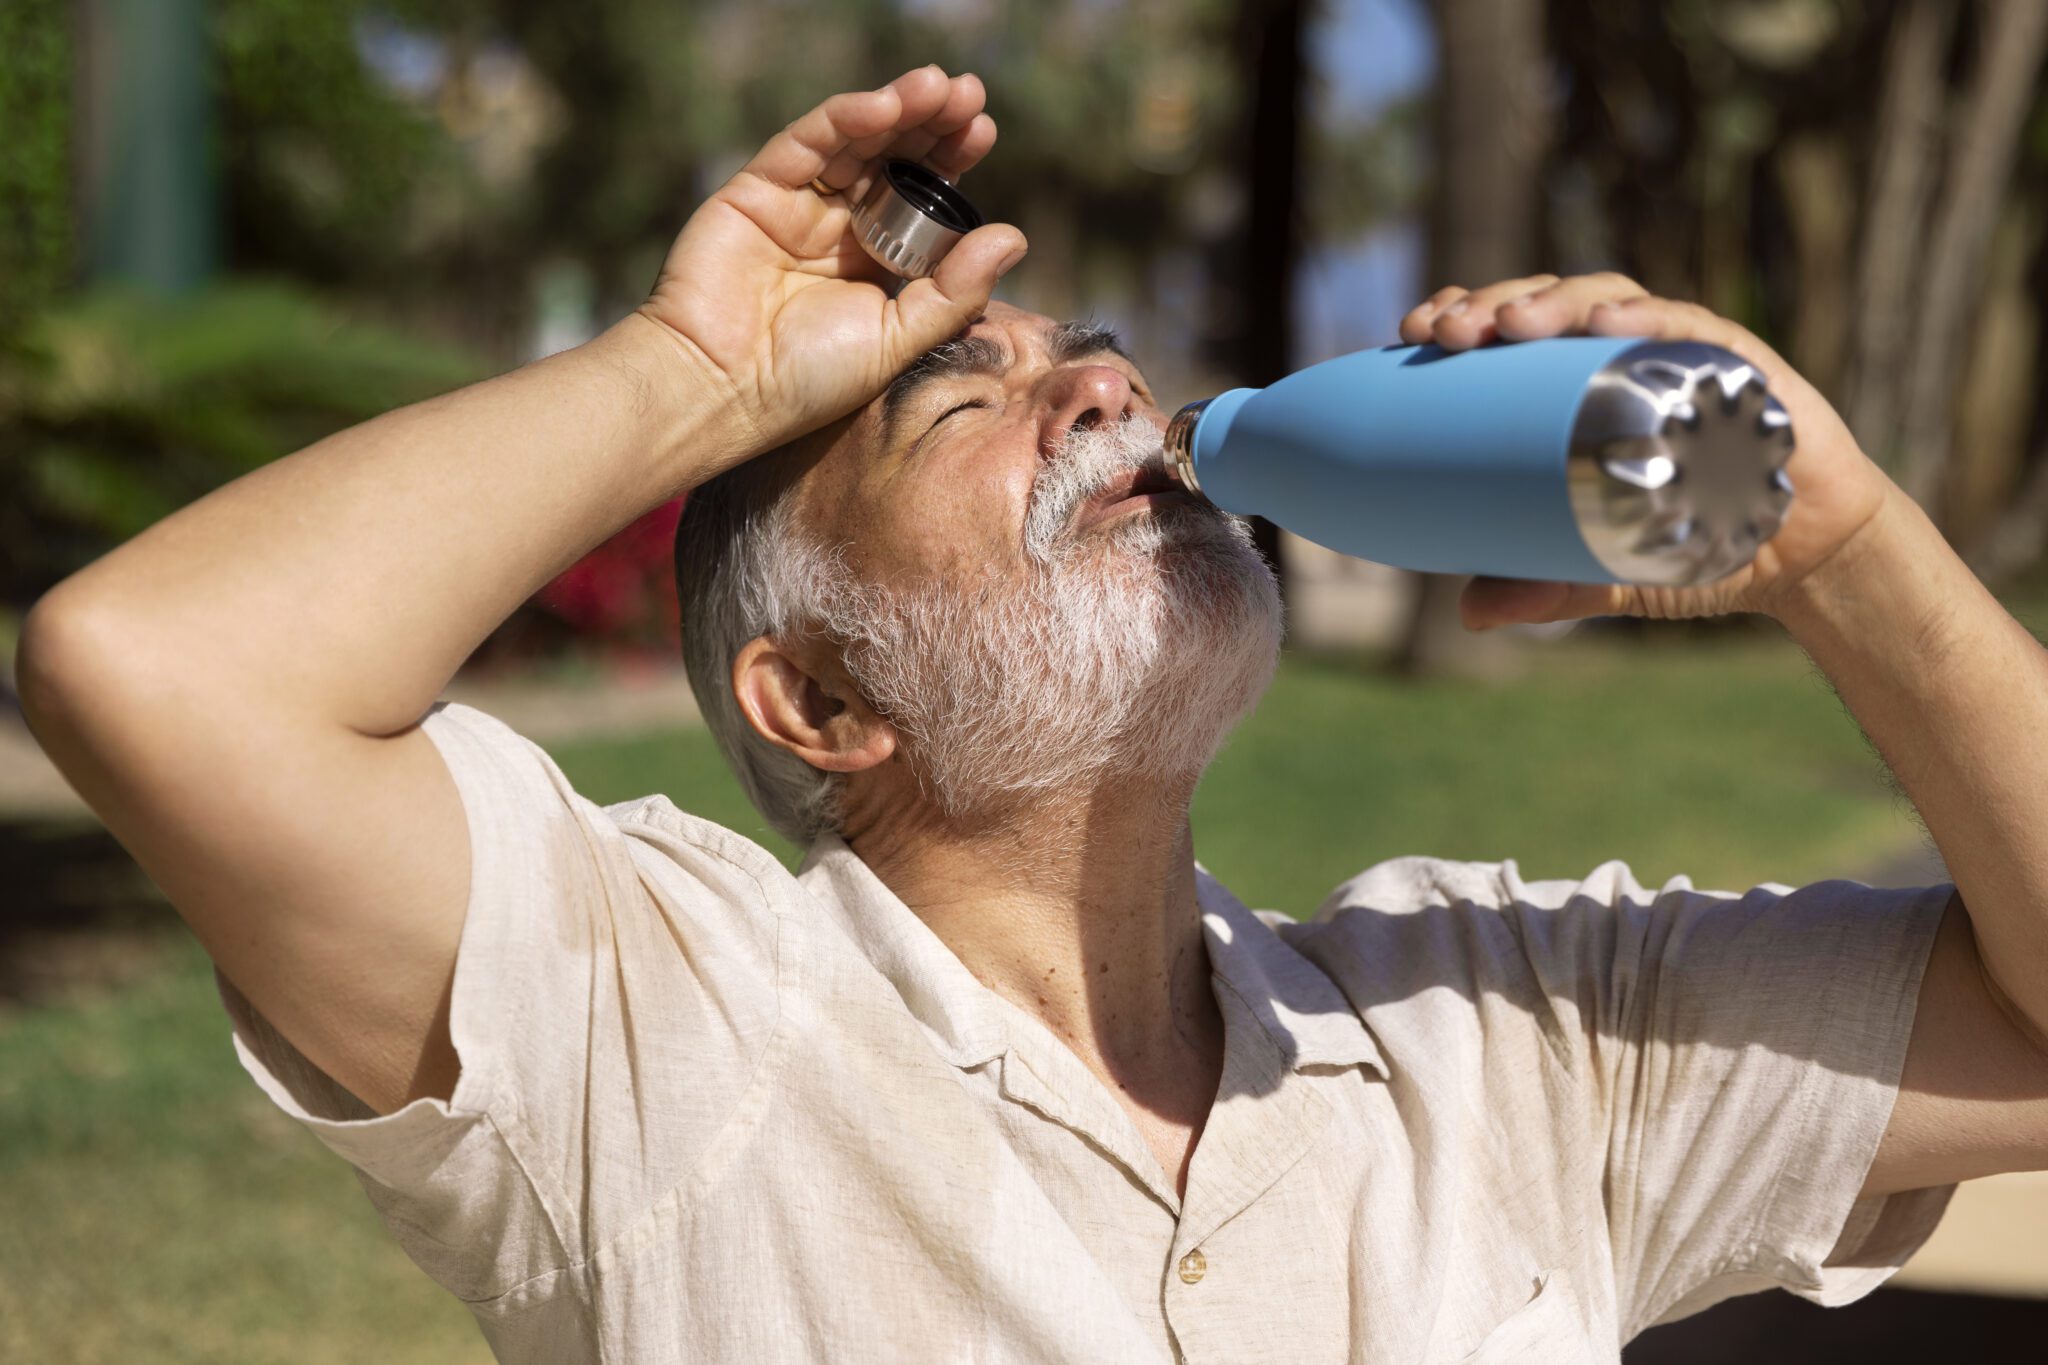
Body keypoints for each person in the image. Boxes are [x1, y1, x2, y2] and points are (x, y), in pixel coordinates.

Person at [18, 66, 2048, 1364]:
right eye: (965, 403)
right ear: (816, 698)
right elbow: (163, 668)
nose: (1102, 393)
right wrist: (687, 371)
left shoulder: (1505, 1030)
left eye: (1089, 363)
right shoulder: (653, 1029)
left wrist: (1831, 538)